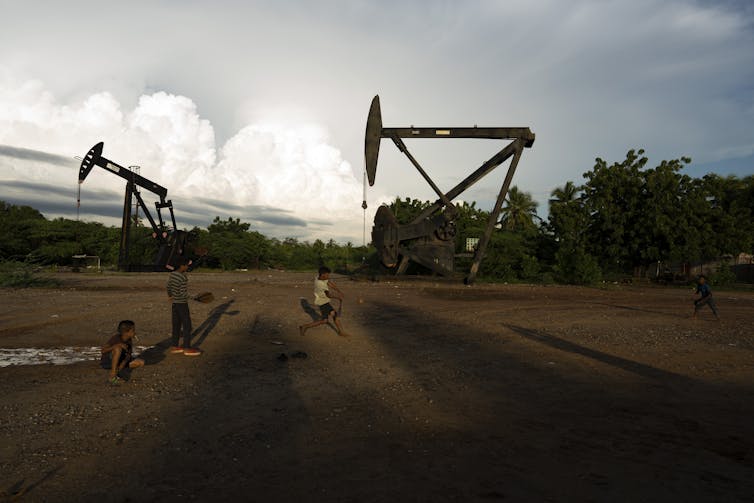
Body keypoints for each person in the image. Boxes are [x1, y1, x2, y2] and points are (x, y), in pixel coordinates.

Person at [299, 266, 349, 337]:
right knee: (334, 315)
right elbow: (328, 295)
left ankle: (304, 326)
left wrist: (338, 291)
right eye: (327, 275)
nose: (328, 276)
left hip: (322, 301)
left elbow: (329, 282)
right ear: (323, 274)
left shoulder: (318, 277)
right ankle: (341, 332)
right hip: (323, 302)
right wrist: (338, 297)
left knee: (324, 320)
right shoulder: (321, 285)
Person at [167, 256, 202, 356]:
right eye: (186, 265)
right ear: (182, 265)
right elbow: (182, 293)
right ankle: (187, 348)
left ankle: (174, 346)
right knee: (187, 326)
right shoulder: (183, 277)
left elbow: (168, 286)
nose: (187, 267)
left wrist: (170, 296)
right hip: (182, 303)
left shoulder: (172, 274)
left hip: (175, 303)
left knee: (176, 325)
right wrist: (194, 297)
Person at [101, 320, 144, 385]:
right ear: (125, 332)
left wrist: (121, 366)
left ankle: (116, 370)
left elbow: (128, 355)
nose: (135, 333)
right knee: (118, 349)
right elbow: (103, 350)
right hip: (107, 362)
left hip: (119, 362)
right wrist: (116, 345)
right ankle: (112, 376)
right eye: (133, 331)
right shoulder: (116, 338)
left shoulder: (129, 340)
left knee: (141, 362)